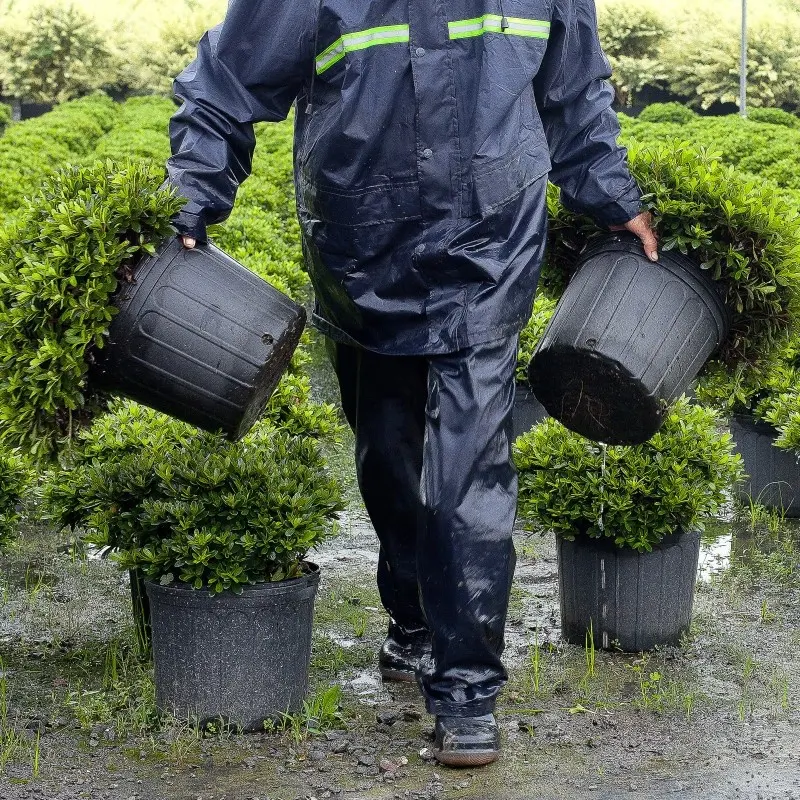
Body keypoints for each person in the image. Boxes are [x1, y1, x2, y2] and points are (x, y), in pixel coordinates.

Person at [167, 0, 658, 768]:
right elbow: (225, 81)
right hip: (362, 243)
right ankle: (415, 623)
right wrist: (193, 197)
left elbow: (574, 95)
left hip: (490, 242)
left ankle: (467, 693)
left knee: (468, 464)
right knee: (386, 449)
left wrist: (616, 201)